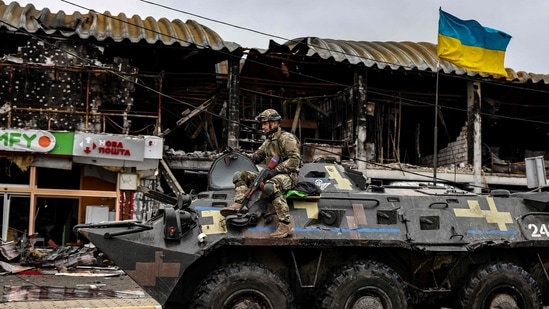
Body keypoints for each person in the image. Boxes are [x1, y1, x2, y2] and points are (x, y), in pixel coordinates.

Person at [220, 109, 301, 238]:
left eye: (264, 123)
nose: (262, 127)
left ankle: (285, 223)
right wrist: (235, 154)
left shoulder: (287, 138)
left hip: (289, 175)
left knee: (270, 186)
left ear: (274, 123)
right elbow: (256, 157)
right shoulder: (268, 142)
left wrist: (275, 170)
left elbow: (295, 161)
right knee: (239, 175)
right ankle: (241, 203)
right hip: (271, 173)